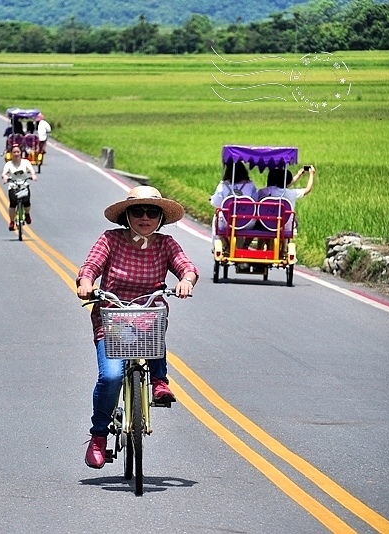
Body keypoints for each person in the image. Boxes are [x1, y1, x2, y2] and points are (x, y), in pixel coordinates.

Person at [76, 185, 198, 469]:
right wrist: (86, 284)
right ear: (126, 216)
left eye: (152, 212)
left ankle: (159, 381)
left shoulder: (166, 244)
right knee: (111, 376)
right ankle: (98, 436)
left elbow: (186, 267)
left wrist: (186, 282)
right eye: (138, 211)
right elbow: (91, 266)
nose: (145, 217)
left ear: (161, 218)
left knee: (153, 322)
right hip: (113, 318)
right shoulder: (110, 240)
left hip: (147, 318)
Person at [210, 160, 258, 250]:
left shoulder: (223, 185)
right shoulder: (250, 185)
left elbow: (216, 203)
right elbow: (256, 201)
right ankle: (245, 245)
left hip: (227, 222)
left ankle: (225, 244)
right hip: (247, 223)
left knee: (217, 216)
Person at [1, 143, 38, 231]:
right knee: (13, 204)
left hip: (24, 185)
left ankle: (27, 214)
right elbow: (4, 173)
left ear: (21, 153)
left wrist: (33, 175)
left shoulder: (25, 162)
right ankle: (12, 221)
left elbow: (31, 170)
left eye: (18, 152)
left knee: (26, 202)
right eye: (14, 152)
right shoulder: (8, 164)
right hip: (13, 186)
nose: (16, 154)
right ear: (11, 153)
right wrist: (5, 178)